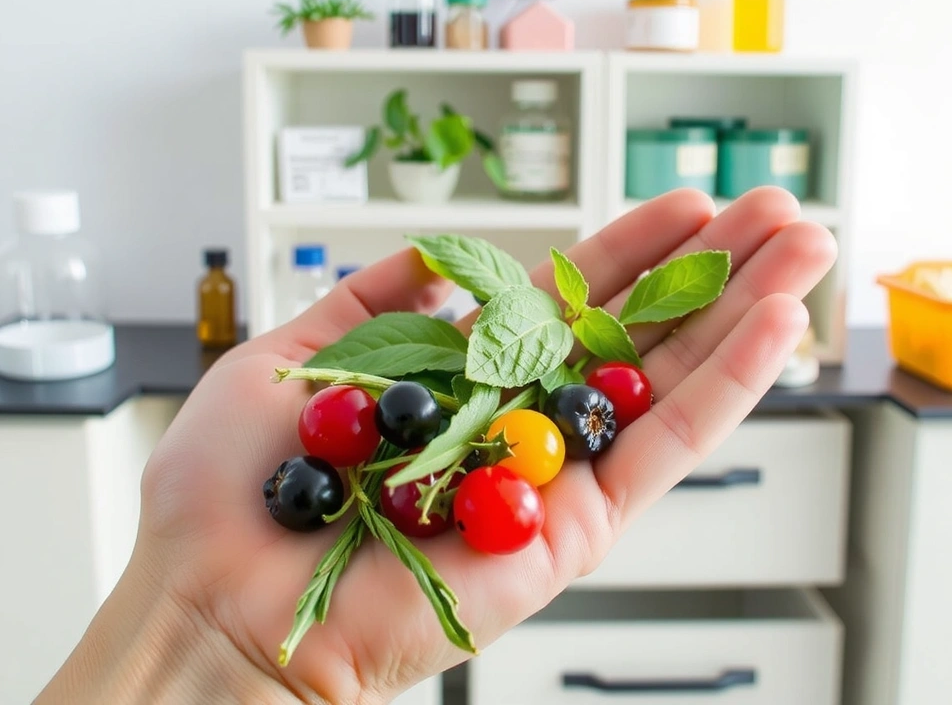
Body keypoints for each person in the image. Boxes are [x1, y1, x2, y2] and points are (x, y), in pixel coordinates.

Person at [34, 187, 836, 704]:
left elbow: (548, 415)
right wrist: (215, 635)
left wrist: (220, 648)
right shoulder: (363, 449)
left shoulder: (524, 429)